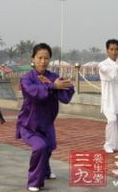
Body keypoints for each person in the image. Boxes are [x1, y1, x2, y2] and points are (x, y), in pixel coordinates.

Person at [16, 43, 75, 192]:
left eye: (46, 58)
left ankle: (46, 171)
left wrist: (64, 85)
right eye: (39, 58)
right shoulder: (26, 79)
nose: (43, 61)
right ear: (33, 59)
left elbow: (66, 94)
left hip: (47, 123)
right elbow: (34, 92)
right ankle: (34, 182)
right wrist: (52, 87)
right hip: (29, 124)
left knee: (48, 147)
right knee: (40, 147)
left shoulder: (53, 77)